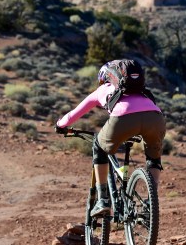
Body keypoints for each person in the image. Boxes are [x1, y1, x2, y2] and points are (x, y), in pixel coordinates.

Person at [56, 62, 166, 217]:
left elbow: (75, 113)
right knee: (153, 157)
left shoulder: (103, 89)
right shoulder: (142, 91)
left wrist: (60, 125)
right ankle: (150, 202)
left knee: (99, 145)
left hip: (123, 118)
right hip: (156, 118)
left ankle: (103, 200)